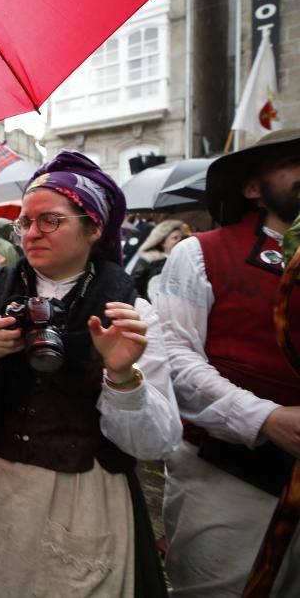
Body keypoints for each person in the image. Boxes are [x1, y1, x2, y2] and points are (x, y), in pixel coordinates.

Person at [0, 150, 182, 598]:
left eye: (50, 221)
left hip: (78, 500)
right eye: (25, 222)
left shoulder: (130, 310)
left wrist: (122, 377)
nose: (31, 233)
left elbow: (157, 442)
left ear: (94, 227)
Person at [155, 128, 300, 597]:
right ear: (252, 187)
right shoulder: (201, 253)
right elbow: (176, 361)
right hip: (226, 480)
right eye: (293, 162)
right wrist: (265, 418)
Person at [129, 219, 190, 301]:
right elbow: (134, 287)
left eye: (181, 238)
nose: (179, 241)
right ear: (162, 242)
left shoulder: (185, 262)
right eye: (175, 238)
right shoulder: (149, 261)